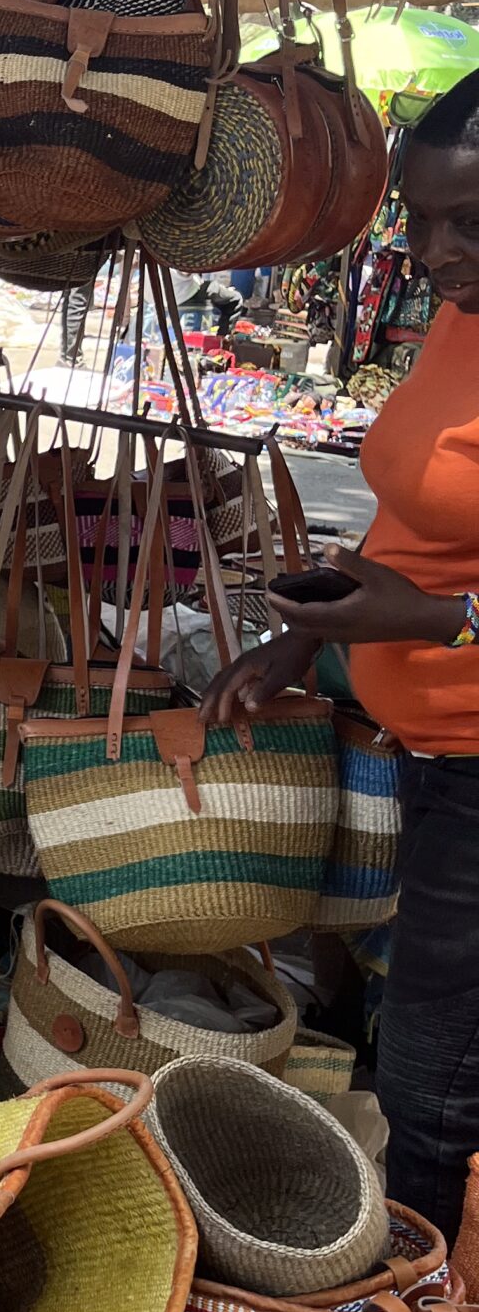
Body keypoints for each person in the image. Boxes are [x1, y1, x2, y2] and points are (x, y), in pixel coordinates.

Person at [202, 63, 479, 1246]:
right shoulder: (463, 319)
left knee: (428, 1092)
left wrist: (431, 621)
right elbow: (415, 520)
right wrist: (302, 635)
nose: (428, 250)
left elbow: (435, 590)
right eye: (418, 217)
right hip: (426, 760)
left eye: (466, 220)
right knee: (416, 1055)